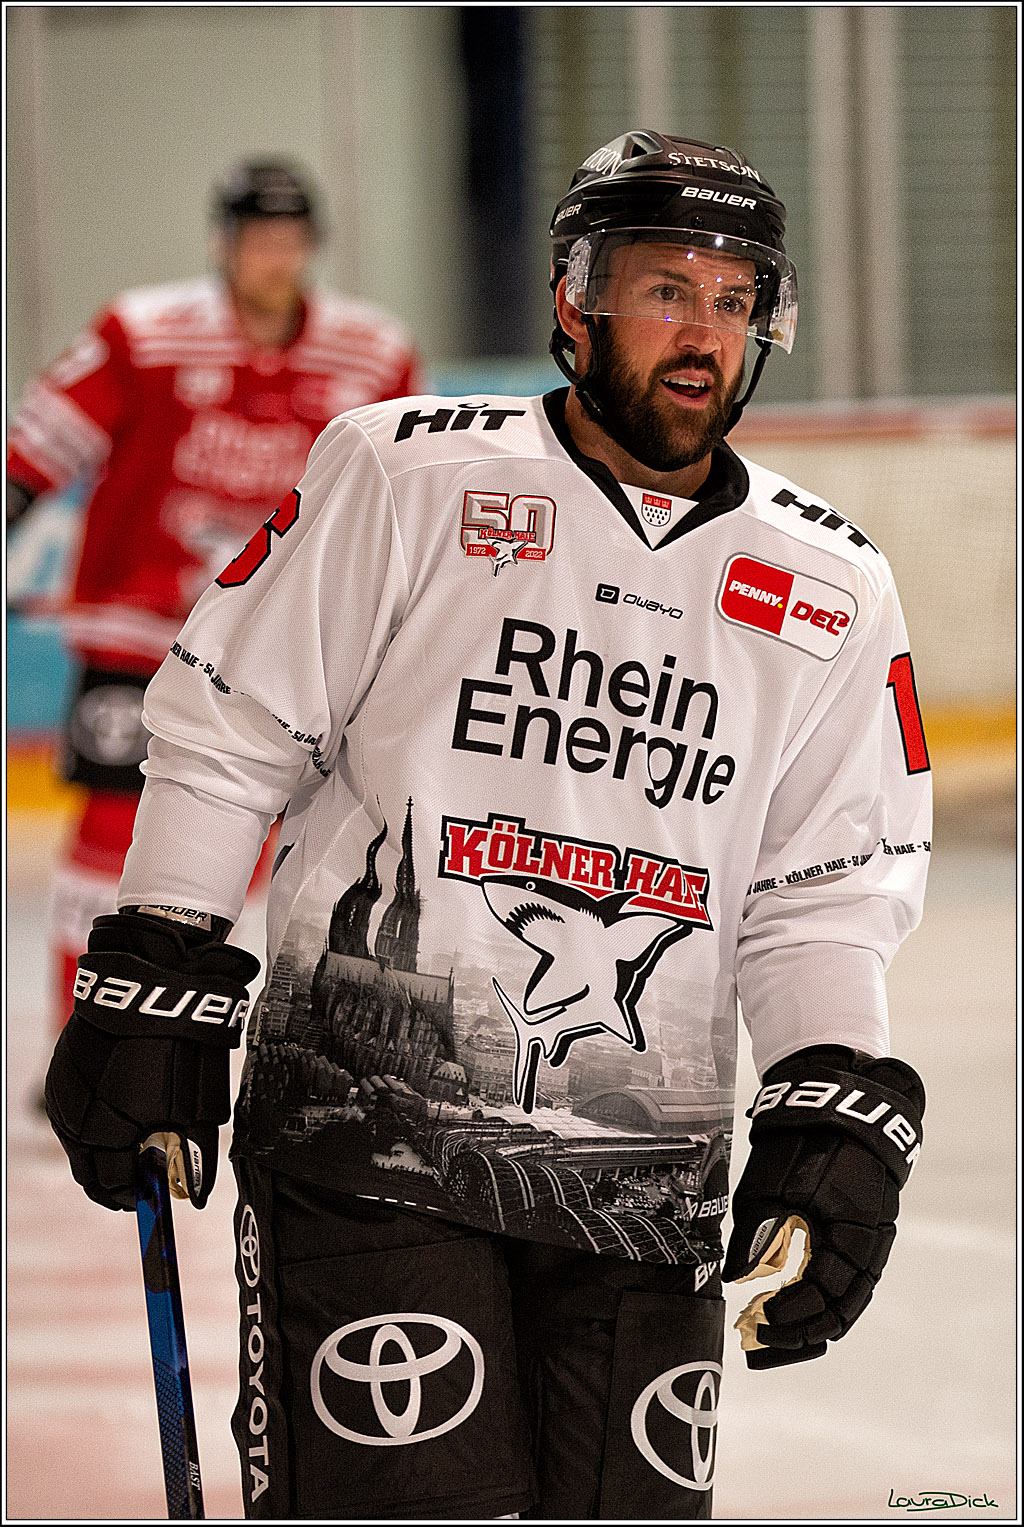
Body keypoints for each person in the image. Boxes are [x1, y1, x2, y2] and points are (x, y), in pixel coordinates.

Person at [44, 131, 930, 1520]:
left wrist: (837, 1106)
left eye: (732, 297)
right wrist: (160, 963)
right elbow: (234, 727)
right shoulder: (404, 474)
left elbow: (825, 888)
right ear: (575, 302)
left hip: (648, 1178)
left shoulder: (830, 586)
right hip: (365, 1142)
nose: (703, 333)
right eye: (664, 290)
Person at [7, 159, 422, 1036]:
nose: (274, 256)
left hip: (280, 646)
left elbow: (412, 492)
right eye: (256, 238)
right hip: (139, 632)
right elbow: (36, 445)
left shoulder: (373, 350)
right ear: (222, 243)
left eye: (290, 238)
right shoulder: (146, 333)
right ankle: (77, 1031)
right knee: (109, 836)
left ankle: (202, 1032)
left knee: (265, 839)